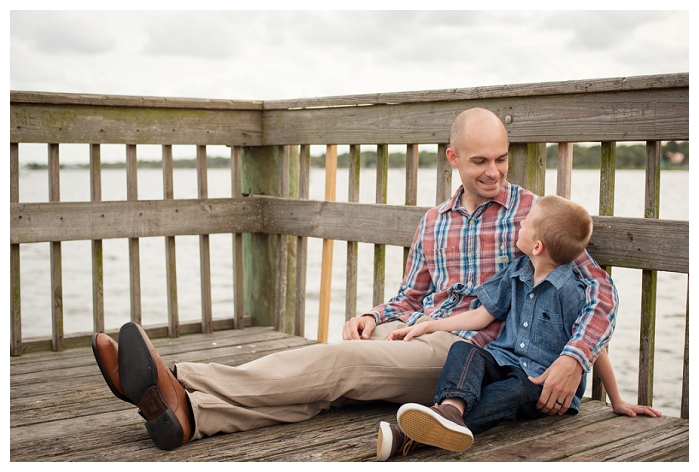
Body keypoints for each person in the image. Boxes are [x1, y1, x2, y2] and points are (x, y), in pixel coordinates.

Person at [91, 107, 618, 451]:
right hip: (413, 331)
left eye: (501, 159)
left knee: (340, 364)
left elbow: (599, 291)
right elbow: (412, 294)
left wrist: (574, 358)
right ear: (453, 158)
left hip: (467, 351)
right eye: (479, 160)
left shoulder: (533, 217)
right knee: (335, 382)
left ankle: (180, 378)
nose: (494, 172)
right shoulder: (435, 220)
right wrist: (374, 316)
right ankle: (192, 415)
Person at [375, 195, 661, 461]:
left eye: (525, 223)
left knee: (514, 390)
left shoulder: (570, 292)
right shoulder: (516, 271)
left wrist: (617, 400)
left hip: (541, 384)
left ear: (537, 246)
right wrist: (429, 326)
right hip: (504, 360)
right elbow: (481, 316)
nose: (520, 224)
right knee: (464, 350)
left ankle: (413, 435)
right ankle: (449, 410)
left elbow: (595, 349)